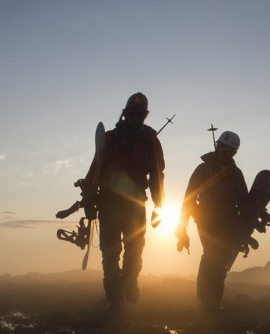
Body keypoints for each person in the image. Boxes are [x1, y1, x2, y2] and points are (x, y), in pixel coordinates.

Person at [83, 92, 165, 309]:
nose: (136, 117)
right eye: (132, 113)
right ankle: (115, 301)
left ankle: (129, 282)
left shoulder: (151, 142)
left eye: (140, 114)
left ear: (145, 115)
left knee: (134, 252)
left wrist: (159, 206)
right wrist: (88, 200)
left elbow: (157, 175)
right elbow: (95, 170)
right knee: (110, 256)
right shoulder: (110, 139)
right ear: (125, 113)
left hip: (135, 206)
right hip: (108, 205)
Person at [175, 130, 249, 311]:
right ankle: (206, 300)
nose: (228, 155)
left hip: (228, 224)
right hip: (206, 221)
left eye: (231, 153)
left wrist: (244, 231)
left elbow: (244, 202)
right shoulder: (203, 170)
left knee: (221, 260)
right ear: (218, 147)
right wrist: (182, 228)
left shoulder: (236, 174)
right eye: (225, 151)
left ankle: (213, 301)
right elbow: (189, 198)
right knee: (211, 256)